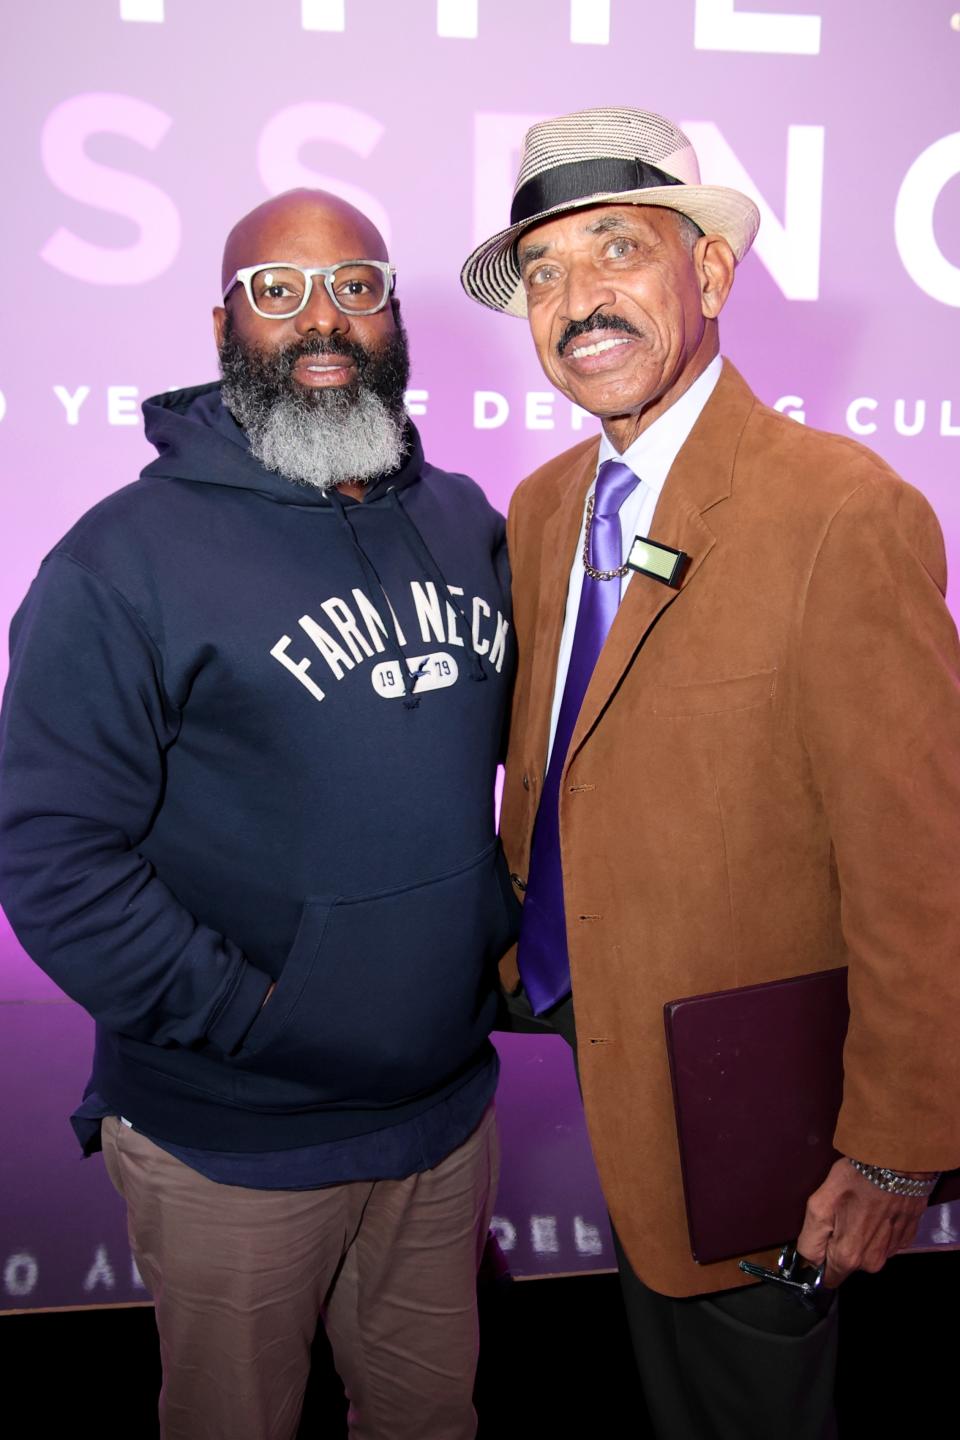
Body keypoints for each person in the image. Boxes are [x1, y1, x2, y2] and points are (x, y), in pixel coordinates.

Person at [460, 106, 960, 1438]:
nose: (579, 303)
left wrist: (895, 1144)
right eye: (548, 273)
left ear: (714, 273)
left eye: (617, 252)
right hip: (572, 1020)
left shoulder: (843, 512)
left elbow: (922, 870)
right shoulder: (546, 505)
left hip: (749, 1101)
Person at [0, 188, 516, 1440]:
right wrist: (254, 1018)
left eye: (355, 283)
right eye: (276, 290)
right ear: (224, 321)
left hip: (443, 1121)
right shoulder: (120, 560)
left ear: (395, 313)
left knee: (430, 1420)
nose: (319, 319)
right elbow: (51, 853)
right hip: (233, 1139)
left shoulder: (465, 522)